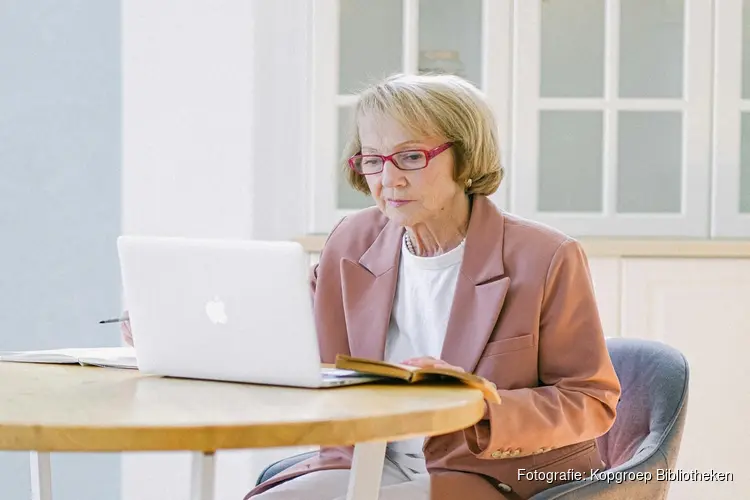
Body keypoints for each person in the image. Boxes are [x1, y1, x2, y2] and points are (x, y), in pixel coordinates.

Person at [123, 73, 621, 500]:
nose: (388, 179)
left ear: (465, 158)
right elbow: (296, 343)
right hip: (366, 458)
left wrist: (478, 402)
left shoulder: (546, 256)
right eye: (372, 159)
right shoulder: (352, 240)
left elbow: (590, 401)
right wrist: (180, 331)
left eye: (409, 157)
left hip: (491, 473)